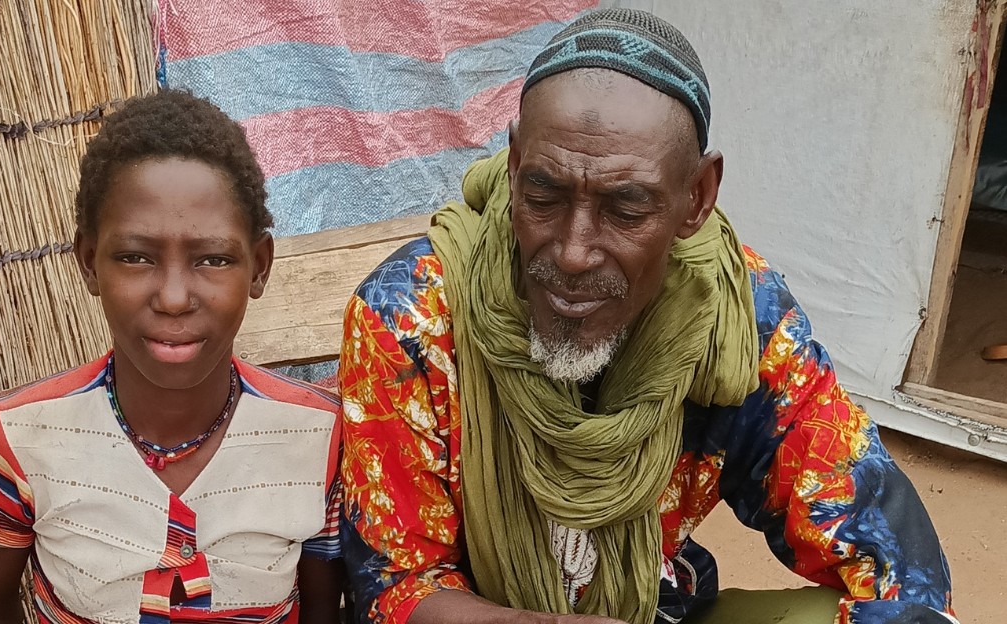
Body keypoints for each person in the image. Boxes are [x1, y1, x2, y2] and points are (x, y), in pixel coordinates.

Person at [338, 8, 955, 624]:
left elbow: (888, 550)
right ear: (515, 160)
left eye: (626, 209)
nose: (574, 253)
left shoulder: (738, 318)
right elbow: (396, 587)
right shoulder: (410, 319)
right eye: (543, 195)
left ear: (697, 198)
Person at [0, 90, 343, 624]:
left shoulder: (321, 437)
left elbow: (326, 610)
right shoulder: (17, 437)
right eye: (135, 257)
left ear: (258, 266)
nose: (175, 297)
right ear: (89, 263)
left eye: (213, 258)